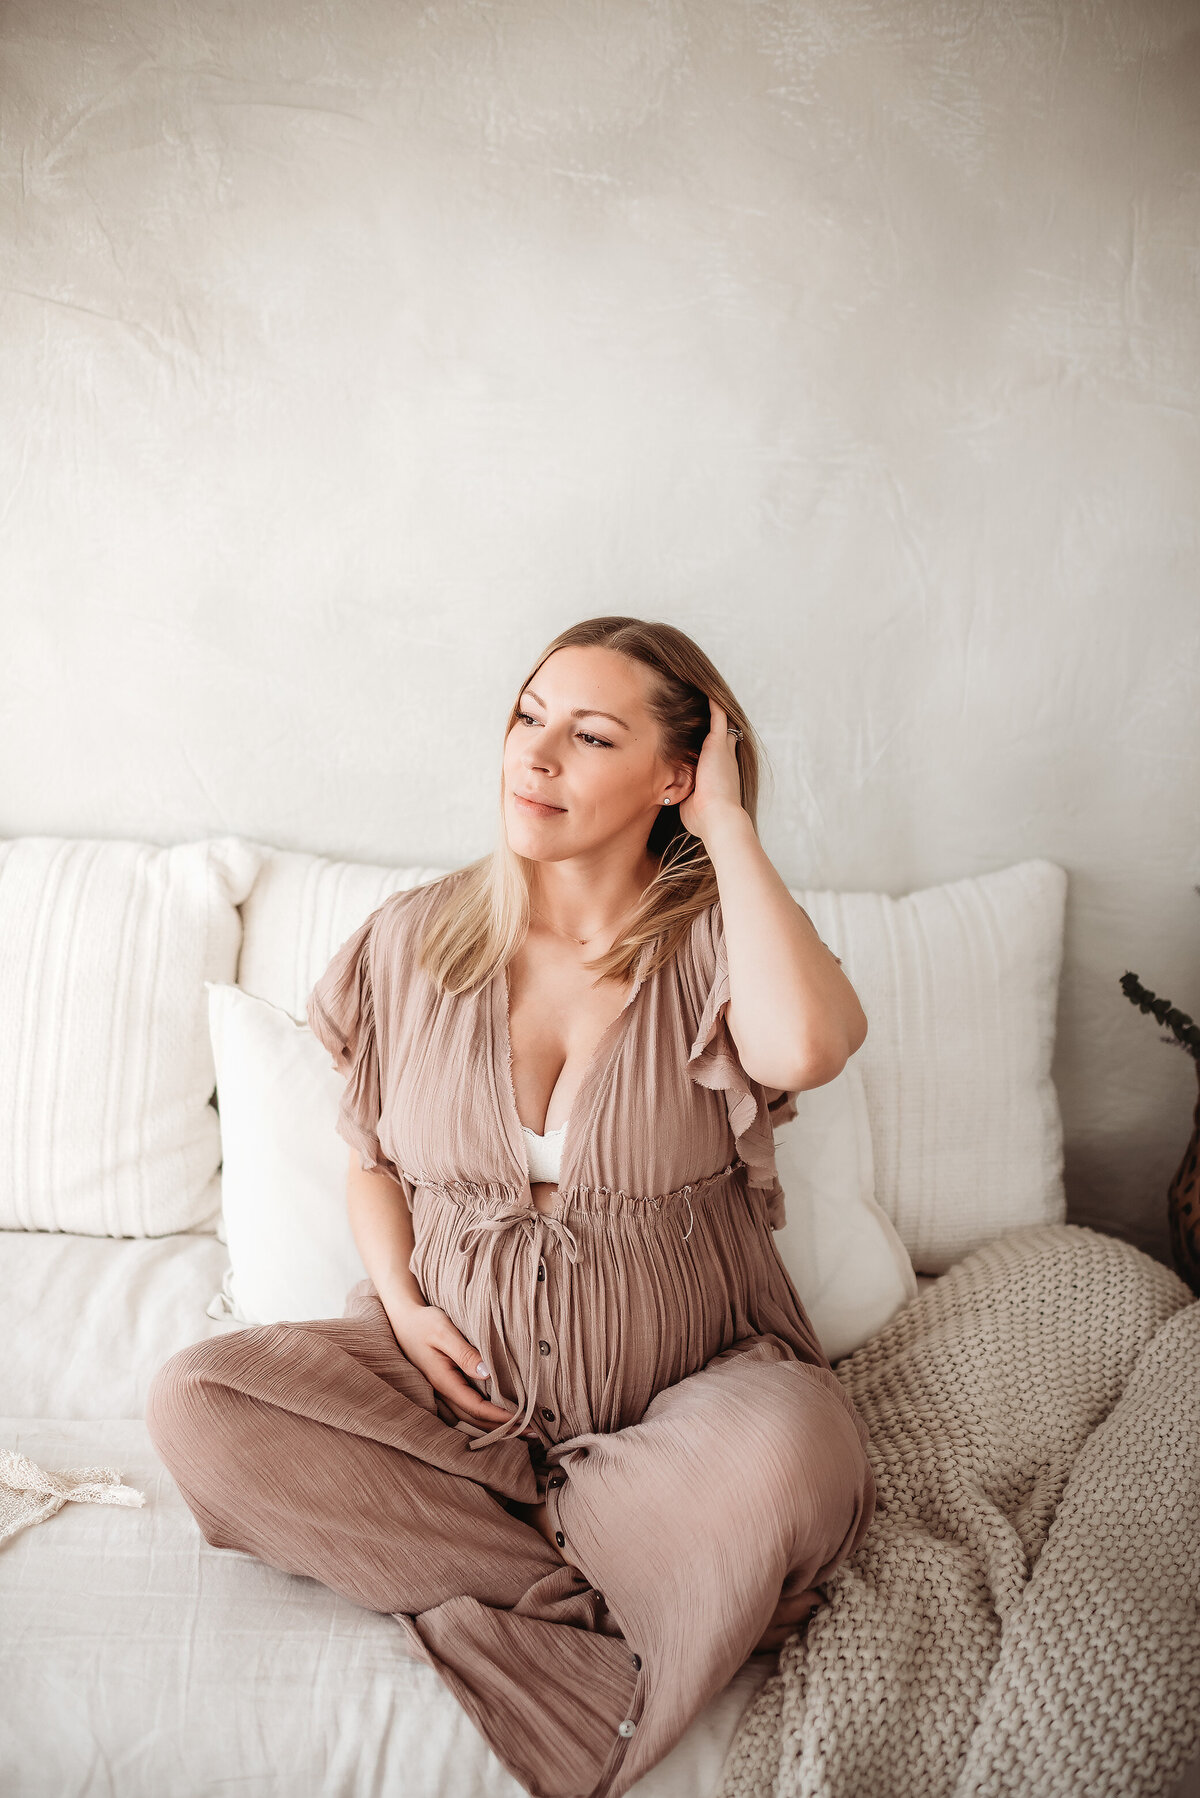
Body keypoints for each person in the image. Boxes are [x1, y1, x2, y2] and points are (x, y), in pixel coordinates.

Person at [146, 615, 877, 1798]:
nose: (534, 758)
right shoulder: (417, 937)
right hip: (455, 1405)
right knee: (197, 1402)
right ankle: (596, 1579)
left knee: (800, 1451)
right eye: (527, 717)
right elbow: (372, 1160)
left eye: (590, 735)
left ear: (675, 774)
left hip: (685, 1397)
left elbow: (805, 1044)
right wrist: (403, 1304)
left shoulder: (716, 943)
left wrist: (729, 831)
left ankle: (548, 1558)